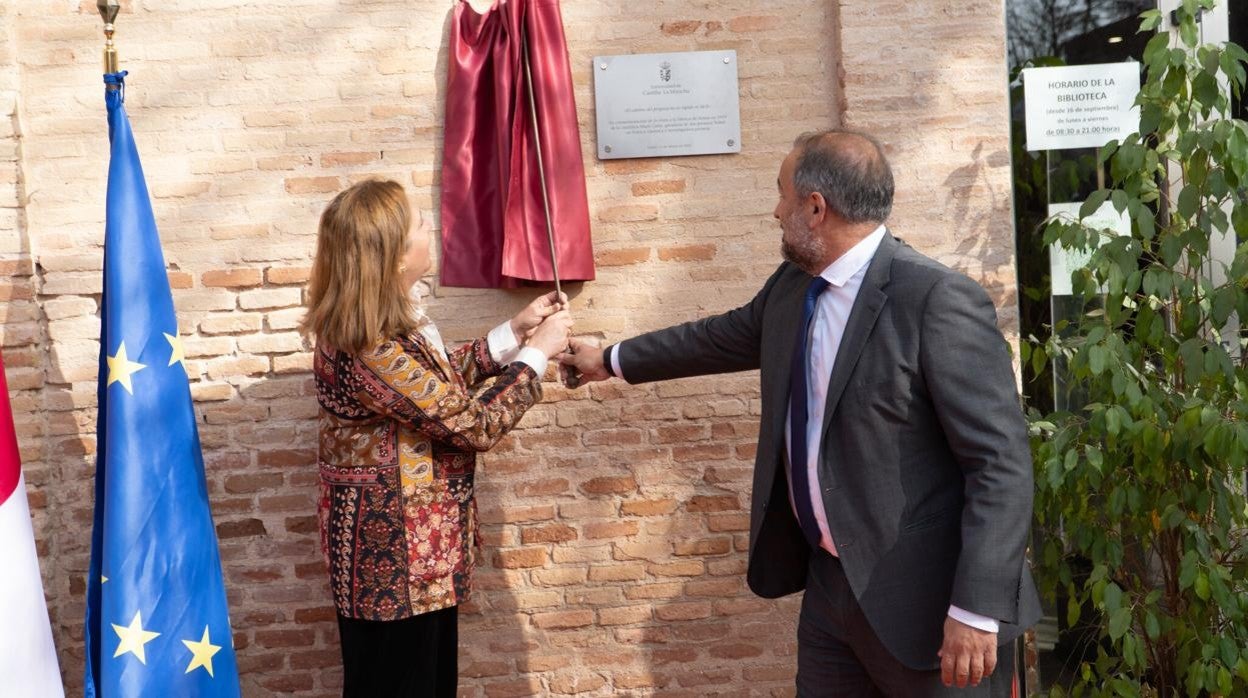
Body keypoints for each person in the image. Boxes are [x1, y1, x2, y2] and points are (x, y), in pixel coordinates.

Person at [560, 130, 1041, 697]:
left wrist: (977, 609)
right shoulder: (795, 287)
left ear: (815, 208)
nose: (775, 210)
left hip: (932, 610)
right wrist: (610, 360)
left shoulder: (935, 298)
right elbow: (719, 338)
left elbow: (1000, 464)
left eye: (782, 194)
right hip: (831, 595)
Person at [299, 179, 573, 697]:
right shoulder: (370, 348)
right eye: (421, 224)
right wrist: (537, 356)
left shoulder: (380, 330)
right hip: (394, 562)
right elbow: (472, 424)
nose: (433, 229)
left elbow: (434, 382)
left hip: (411, 559)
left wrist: (514, 332)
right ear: (396, 256)